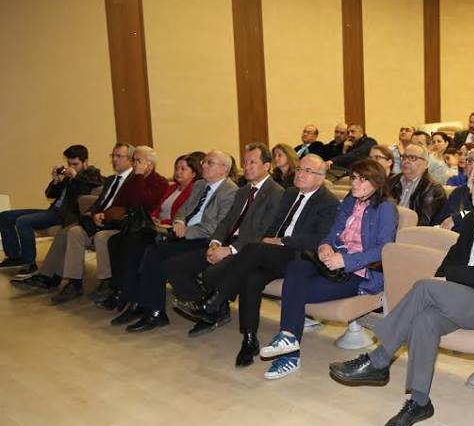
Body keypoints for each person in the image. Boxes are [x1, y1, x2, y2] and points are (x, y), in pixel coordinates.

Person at [330, 160, 474, 426]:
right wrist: (447, 278)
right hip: (462, 298)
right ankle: (419, 401)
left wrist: (449, 279)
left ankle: (379, 359)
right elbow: (449, 261)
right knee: (425, 320)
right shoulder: (472, 220)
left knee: (426, 287)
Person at [183, 154, 339, 365]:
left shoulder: (328, 202)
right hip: (273, 254)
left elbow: (317, 238)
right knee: (251, 279)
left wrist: (281, 241)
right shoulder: (290, 193)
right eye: (299, 169)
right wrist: (270, 239)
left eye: (307, 171)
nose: (300, 174)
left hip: (300, 257)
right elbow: (273, 225)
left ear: (320, 178)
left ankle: (213, 297)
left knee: (253, 249)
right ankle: (249, 340)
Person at [258, 159, 397, 379]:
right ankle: (288, 339)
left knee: (295, 291)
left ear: (377, 183)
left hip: (357, 273)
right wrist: (324, 246)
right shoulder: (350, 201)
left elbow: (384, 249)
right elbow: (332, 233)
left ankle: (289, 355)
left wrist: (346, 261)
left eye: (362, 179)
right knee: (297, 268)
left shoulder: (385, 208)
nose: (355, 183)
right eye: (354, 178)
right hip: (329, 262)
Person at [106, 150, 239, 332]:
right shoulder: (199, 184)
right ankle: (148, 308)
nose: (203, 165)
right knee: (148, 250)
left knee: (161, 257)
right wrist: (179, 222)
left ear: (224, 168)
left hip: (206, 240)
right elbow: (183, 209)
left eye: (209, 162)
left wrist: (186, 232)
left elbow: (218, 226)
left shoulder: (230, 191)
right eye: (204, 162)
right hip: (183, 234)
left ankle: (206, 308)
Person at [165, 143, 285, 334]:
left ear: (266, 166)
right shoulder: (243, 191)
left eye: (252, 162)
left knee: (211, 273)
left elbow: (262, 233)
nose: (246, 167)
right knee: (177, 265)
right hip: (227, 243)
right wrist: (216, 242)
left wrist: (229, 250)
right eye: (245, 162)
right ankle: (211, 311)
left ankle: (210, 309)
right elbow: (227, 222)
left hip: (250, 249)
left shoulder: (276, 193)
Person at [18, 144, 134, 300]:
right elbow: (99, 202)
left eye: (119, 156)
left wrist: (77, 177)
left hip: (112, 223)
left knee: (68, 231)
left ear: (130, 160)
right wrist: (57, 182)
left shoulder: (105, 176)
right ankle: (73, 283)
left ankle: (53, 278)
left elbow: (123, 205)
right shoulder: (112, 180)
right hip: (90, 219)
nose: (114, 159)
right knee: (73, 232)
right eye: (113, 156)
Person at [93, 153, 203, 311]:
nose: (178, 172)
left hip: (168, 230)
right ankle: (119, 290)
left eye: (183, 169)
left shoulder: (193, 190)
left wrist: (164, 222)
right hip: (155, 226)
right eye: (177, 168)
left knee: (133, 245)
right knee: (115, 241)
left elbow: (183, 215)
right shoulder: (172, 187)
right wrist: (154, 217)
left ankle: (132, 297)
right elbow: (157, 207)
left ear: (193, 173)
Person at [0, 144, 102, 275]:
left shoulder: (93, 175)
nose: (71, 167)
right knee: (4, 216)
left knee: (23, 221)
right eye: (69, 164)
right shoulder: (69, 177)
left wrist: (76, 177)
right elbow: (50, 195)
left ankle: (29, 263)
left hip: (65, 214)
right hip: (53, 211)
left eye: (75, 164)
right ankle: (14, 257)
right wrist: (56, 181)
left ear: (85, 162)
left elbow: (93, 187)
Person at [434, 147, 474, 231]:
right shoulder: (458, 192)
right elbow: (439, 221)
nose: (473, 165)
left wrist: (457, 218)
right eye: (470, 161)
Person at [388, 144, 446, 226]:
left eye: (412, 158)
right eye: (404, 157)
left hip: (413, 231)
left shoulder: (433, 189)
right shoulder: (392, 181)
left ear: (426, 163)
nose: (406, 161)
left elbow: (424, 222)